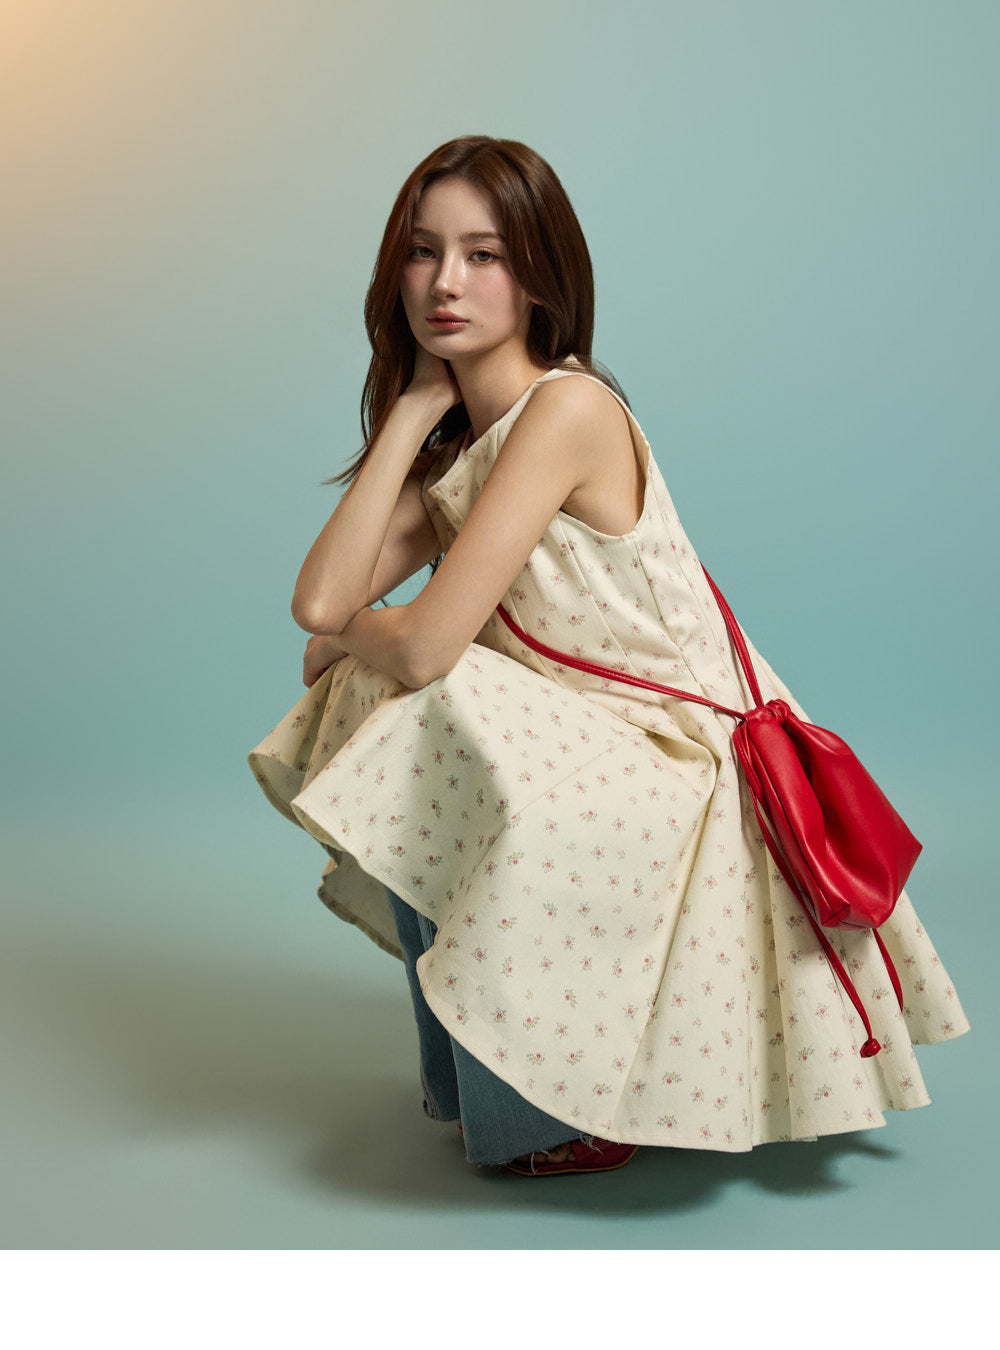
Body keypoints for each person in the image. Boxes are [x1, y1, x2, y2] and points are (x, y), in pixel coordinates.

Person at [249, 135, 968, 1177]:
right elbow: (316, 599)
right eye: (422, 251)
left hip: (689, 766)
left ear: (538, 275)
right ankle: (481, 1087)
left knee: (406, 690)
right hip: (594, 747)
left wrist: (349, 637)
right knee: (382, 690)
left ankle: (552, 1118)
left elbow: (423, 644)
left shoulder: (568, 408)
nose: (445, 282)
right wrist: (410, 412)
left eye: (484, 255)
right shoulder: (461, 447)